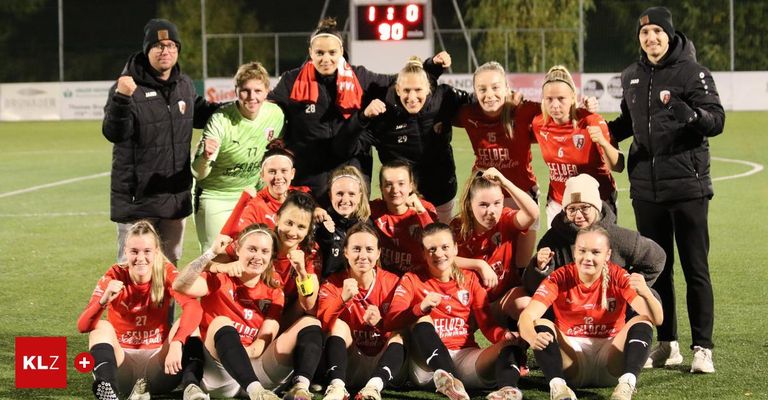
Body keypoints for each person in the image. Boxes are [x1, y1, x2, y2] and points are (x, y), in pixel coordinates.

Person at [607, 6, 725, 373]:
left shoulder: (693, 72)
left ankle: (702, 348)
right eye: (645, 33)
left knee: (695, 268)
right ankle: (667, 343)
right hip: (646, 189)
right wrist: (594, 128)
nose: (651, 38)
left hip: (687, 186)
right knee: (658, 268)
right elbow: (628, 123)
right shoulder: (631, 75)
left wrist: (689, 114)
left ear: (669, 35)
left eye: (657, 32)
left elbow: (716, 120)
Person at [267, 18, 446, 206]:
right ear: (310, 52)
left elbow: (399, 82)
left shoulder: (360, 77)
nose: (325, 59)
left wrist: (431, 67)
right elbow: (267, 112)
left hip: (352, 167)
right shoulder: (291, 81)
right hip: (308, 174)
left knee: (353, 229)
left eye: (332, 52)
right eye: (319, 53)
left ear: (341, 52)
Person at [454, 62, 597, 270]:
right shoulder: (467, 114)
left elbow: (558, 110)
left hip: (521, 198)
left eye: (495, 88)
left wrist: (585, 108)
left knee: (520, 265)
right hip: (485, 200)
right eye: (482, 89)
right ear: (474, 91)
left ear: (506, 88)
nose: (489, 94)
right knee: (485, 259)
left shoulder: (523, 110)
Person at [102, 18, 219, 265]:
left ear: (177, 50)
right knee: (133, 267)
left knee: (169, 266)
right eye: (158, 45)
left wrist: (242, 107)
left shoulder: (184, 84)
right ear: (147, 50)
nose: (165, 51)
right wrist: (121, 99)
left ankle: (167, 308)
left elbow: (201, 112)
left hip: (174, 196)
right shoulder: (126, 87)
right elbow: (115, 132)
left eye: (171, 45)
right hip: (138, 199)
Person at [173, 224, 322, 400]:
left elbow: (261, 344)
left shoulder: (274, 291)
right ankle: (255, 391)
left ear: (271, 256)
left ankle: (300, 388)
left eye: (265, 251)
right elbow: (180, 285)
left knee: (311, 323)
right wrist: (211, 257)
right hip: (221, 374)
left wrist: (245, 353)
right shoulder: (220, 278)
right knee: (221, 322)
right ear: (237, 250)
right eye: (252, 249)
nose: (258, 257)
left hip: (256, 366)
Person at [518, 226, 663, 400]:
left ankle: (626, 384)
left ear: (607, 255)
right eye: (582, 251)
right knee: (541, 325)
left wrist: (646, 292)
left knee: (643, 321)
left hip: (610, 360)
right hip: (572, 362)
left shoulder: (618, 276)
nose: (588, 258)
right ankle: (558, 387)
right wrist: (533, 338)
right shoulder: (559, 277)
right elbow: (526, 317)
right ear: (574, 252)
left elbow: (657, 319)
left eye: (595, 252)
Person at [385, 223, 525, 400]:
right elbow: (391, 320)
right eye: (432, 249)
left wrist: (504, 336)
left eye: (445, 247)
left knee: (509, 343)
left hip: (464, 356)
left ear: (455, 248)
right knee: (421, 319)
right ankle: (448, 378)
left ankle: (508, 390)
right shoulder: (412, 279)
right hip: (428, 367)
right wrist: (419, 309)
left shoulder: (471, 279)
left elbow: (487, 326)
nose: (439, 254)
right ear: (423, 253)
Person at [77, 221, 207, 400]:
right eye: (134, 251)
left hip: (160, 366)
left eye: (147, 251)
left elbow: (194, 307)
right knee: (101, 327)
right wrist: (103, 301)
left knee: (189, 326)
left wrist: (177, 342)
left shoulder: (166, 272)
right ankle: (109, 391)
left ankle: (191, 387)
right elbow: (83, 326)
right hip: (122, 365)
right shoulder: (114, 275)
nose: (140, 258)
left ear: (156, 252)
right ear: (125, 252)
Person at [332, 56, 461, 222]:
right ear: (398, 89)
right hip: (401, 200)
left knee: (441, 241)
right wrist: (362, 117)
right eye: (406, 90)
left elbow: (474, 104)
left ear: (427, 89)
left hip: (442, 193)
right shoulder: (382, 116)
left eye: (418, 90)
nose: (412, 97)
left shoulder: (442, 99)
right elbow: (343, 148)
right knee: (405, 246)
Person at [192, 61, 285, 250]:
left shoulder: (276, 115)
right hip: (215, 196)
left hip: (251, 195)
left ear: (267, 91)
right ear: (236, 90)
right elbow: (198, 173)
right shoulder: (220, 119)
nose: (252, 97)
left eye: (258, 91)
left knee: (256, 253)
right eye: (245, 90)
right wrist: (205, 156)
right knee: (216, 255)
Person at [522, 174, 665, 297]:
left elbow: (656, 258)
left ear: (596, 208)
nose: (578, 215)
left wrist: (627, 288)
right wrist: (539, 268)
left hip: (611, 311)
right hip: (569, 314)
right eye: (572, 209)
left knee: (649, 304)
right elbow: (536, 289)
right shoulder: (553, 240)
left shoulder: (620, 237)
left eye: (584, 208)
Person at [316, 223, 405, 400]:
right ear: (346, 253)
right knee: (338, 325)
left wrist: (381, 323)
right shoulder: (333, 283)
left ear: (378, 253)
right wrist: (341, 299)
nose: (363, 256)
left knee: (399, 334)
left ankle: (373, 388)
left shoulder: (393, 283)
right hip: (350, 363)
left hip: (385, 363)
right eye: (356, 249)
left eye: (369, 249)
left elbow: (405, 326)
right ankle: (337, 387)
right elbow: (323, 324)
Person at [532, 65, 623, 227]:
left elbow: (618, 166)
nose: (555, 105)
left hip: (596, 202)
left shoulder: (590, 121)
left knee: (595, 251)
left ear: (573, 97)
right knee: (561, 252)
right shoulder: (538, 123)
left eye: (561, 98)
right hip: (559, 204)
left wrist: (603, 142)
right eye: (549, 99)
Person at [451, 167, 538, 321]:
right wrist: (479, 264)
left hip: (501, 300)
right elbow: (445, 259)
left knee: (525, 303)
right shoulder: (458, 227)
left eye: (497, 203)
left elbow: (533, 214)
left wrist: (505, 183)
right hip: (469, 302)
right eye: (484, 205)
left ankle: (515, 343)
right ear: (470, 205)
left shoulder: (505, 219)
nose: (492, 211)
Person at [217, 142, 309, 243]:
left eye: (284, 171)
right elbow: (232, 240)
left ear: (292, 173)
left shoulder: (303, 195)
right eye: (272, 172)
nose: (278, 177)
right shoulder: (255, 206)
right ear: (262, 175)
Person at [370, 160, 438, 275]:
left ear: (411, 186)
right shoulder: (375, 209)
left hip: (419, 279)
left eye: (401, 184)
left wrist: (422, 213)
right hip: (387, 279)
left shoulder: (425, 209)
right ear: (381, 188)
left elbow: (437, 243)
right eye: (388, 184)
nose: (395, 190)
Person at [313, 165, 373, 279]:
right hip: (328, 291)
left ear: (360, 196)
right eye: (339, 194)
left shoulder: (368, 226)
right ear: (330, 195)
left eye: (351, 194)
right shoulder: (321, 223)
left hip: (359, 292)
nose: (345, 200)